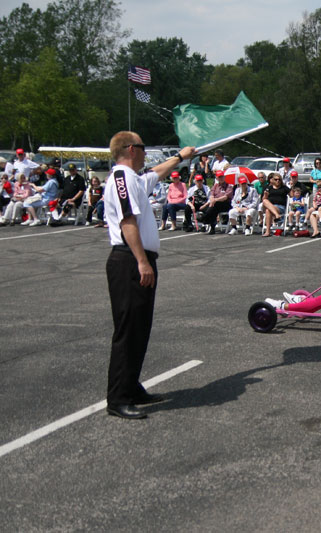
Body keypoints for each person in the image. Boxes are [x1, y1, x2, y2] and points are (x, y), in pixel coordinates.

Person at [103, 130, 195, 419]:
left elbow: (156, 172)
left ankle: (131, 386)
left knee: (140, 328)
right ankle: (118, 398)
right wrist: (142, 261)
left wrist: (181, 157)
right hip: (129, 259)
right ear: (131, 149)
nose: (146, 153)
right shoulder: (122, 178)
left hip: (139, 258)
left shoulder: (134, 179)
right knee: (128, 330)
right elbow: (127, 222)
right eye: (143, 147)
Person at [198, 170, 234, 235]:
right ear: (216, 178)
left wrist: (215, 200)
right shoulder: (215, 186)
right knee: (211, 208)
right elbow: (211, 195)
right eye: (219, 177)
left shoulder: (229, 186)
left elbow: (225, 197)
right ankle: (211, 227)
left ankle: (204, 219)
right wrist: (212, 200)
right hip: (215, 204)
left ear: (224, 177)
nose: (221, 178)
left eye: (222, 176)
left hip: (226, 204)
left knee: (214, 206)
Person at [262, 172, 290, 237]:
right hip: (271, 206)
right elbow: (264, 199)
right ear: (273, 180)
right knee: (265, 203)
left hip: (281, 207)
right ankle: (268, 230)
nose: (277, 181)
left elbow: (292, 196)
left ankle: (268, 231)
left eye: (279, 179)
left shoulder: (284, 188)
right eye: (276, 179)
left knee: (268, 210)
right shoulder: (269, 188)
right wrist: (265, 195)